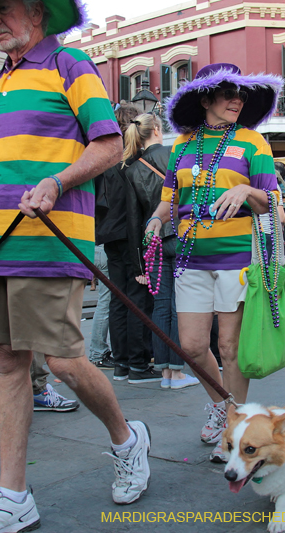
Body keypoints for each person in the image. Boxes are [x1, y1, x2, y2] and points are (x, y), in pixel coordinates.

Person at [0, 1, 152, 530]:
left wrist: (57, 182)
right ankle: (13, 497)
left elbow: (107, 143)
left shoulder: (70, 65)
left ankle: (128, 440)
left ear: (35, 11)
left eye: (2, 7)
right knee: (8, 364)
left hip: (51, 242)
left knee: (61, 361)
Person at [145, 62, 282, 463]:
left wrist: (244, 189)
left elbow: (273, 202)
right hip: (190, 256)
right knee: (190, 345)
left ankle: (234, 431)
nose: (237, 100)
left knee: (228, 345)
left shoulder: (254, 142)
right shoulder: (182, 147)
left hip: (238, 255)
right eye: (227, 94)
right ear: (205, 99)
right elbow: (169, 199)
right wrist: (156, 218)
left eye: (241, 95)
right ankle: (228, 408)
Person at [123, 113, 200, 390]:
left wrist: (138, 266)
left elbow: (134, 221)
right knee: (180, 305)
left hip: (153, 241)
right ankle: (177, 371)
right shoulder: (174, 154)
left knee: (160, 306)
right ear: (157, 129)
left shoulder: (132, 171)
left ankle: (165, 371)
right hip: (182, 235)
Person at [101, 104, 159, 383]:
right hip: (130, 234)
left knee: (118, 298)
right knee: (138, 297)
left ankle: (122, 362)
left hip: (110, 234)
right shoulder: (135, 163)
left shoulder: (110, 160)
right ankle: (137, 362)